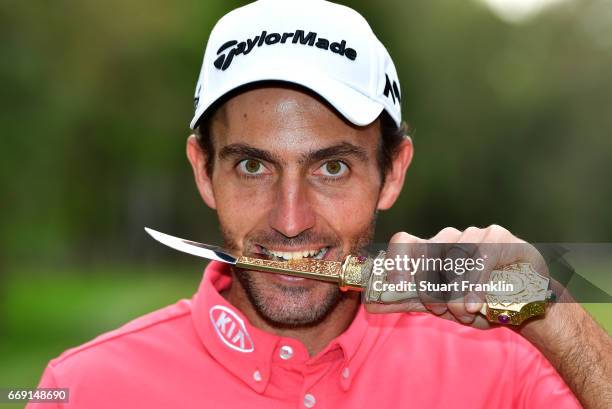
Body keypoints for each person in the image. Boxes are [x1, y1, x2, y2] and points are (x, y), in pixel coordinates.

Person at [30, 1, 611, 408]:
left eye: (331, 168)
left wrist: (553, 312)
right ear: (203, 172)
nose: (290, 221)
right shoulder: (80, 389)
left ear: (392, 172)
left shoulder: (501, 370)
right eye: (252, 166)